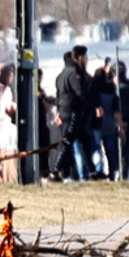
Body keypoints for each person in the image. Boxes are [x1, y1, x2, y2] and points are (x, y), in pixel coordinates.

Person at [51, 46, 100, 182]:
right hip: (72, 111)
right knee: (67, 141)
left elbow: (59, 95)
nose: (87, 60)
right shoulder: (74, 74)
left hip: (66, 111)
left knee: (84, 141)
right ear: (80, 58)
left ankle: (92, 172)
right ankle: (54, 172)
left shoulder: (62, 74)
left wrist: (58, 112)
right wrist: (94, 106)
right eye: (85, 57)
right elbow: (80, 93)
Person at [91, 59, 121, 181]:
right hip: (110, 124)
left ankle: (99, 171)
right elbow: (117, 111)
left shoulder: (94, 92)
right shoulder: (111, 92)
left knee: (96, 149)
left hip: (97, 124)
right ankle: (113, 172)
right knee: (111, 150)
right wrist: (121, 127)